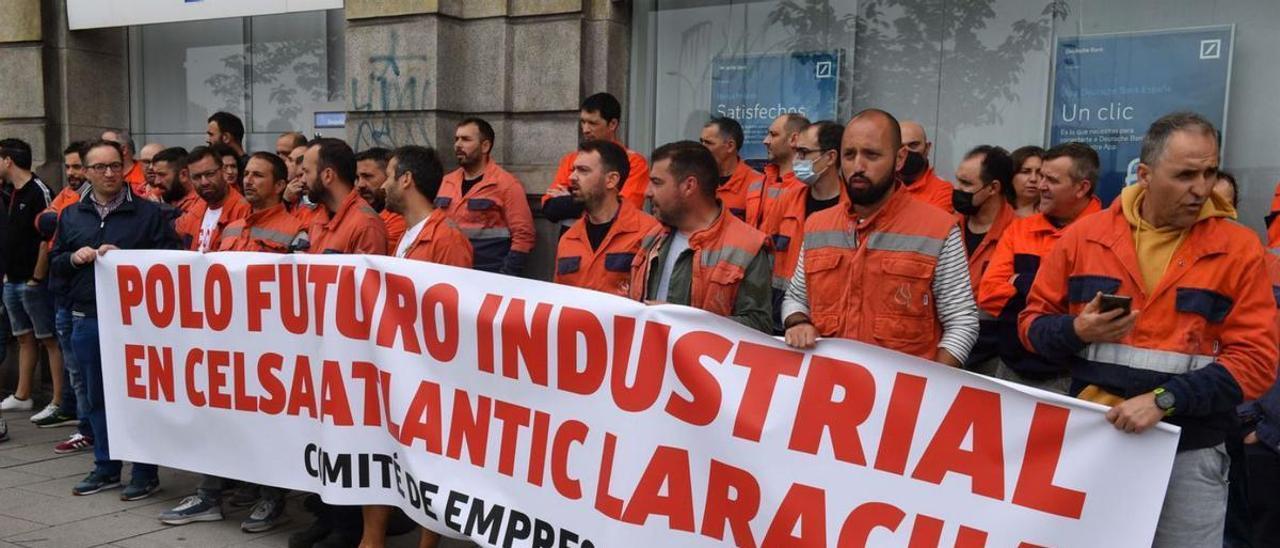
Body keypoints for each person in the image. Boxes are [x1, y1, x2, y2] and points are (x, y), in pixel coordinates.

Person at [1021, 112, 1277, 548]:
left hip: (1191, 452)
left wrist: (1165, 400)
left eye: (1209, 172)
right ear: (1144, 174)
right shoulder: (1085, 238)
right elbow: (1032, 327)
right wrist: (1077, 330)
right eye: (1184, 175)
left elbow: (1256, 362)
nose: (1201, 188)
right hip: (1095, 444)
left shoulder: (1239, 249)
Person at [161, 152, 301, 533]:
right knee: (217, 417)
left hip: (270, 348)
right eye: (247, 174)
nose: (249, 180)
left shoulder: (296, 229)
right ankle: (209, 494)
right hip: (227, 344)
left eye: (259, 175)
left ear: (279, 184)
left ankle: (272, 499)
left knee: (268, 425)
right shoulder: (233, 227)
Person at [781, 109, 978, 367]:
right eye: (849, 155)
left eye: (871, 155)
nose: (858, 167)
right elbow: (796, 297)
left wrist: (934, 385)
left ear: (899, 159)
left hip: (904, 399)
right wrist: (798, 321)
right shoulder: (818, 226)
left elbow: (961, 321)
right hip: (828, 390)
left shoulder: (937, 229)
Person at [51, 139, 181, 499]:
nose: (109, 174)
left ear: (125, 167)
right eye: (100, 168)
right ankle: (106, 466)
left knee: (139, 397)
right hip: (88, 317)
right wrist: (74, 258)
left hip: (136, 323)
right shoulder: (72, 214)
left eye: (115, 166)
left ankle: (144, 471)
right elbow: (56, 263)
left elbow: (172, 259)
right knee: (96, 398)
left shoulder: (148, 213)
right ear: (87, 172)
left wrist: (131, 258)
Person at [361, 145, 474, 548]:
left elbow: (455, 315)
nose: (384, 184)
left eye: (389, 175)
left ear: (406, 180)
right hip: (399, 362)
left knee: (431, 462)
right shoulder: (406, 235)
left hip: (428, 370)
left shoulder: (447, 238)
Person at [291, 137, 387, 547]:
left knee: (347, 439)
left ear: (327, 175)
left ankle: (349, 529)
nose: (300, 177)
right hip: (317, 344)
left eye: (307, 169)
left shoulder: (364, 222)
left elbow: (366, 296)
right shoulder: (321, 218)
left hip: (348, 351)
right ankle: (329, 516)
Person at [977, 142, 1102, 391]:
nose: (1040, 185)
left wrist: (1020, 282)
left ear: (1082, 188)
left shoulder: (1105, 236)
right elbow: (989, 294)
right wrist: (1054, 299)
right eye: (1041, 176)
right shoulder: (1020, 229)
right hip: (1010, 370)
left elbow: (1090, 311)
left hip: (1071, 378)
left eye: (1051, 180)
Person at [629, 141, 772, 333]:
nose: (647, 192)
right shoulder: (653, 236)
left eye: (657, 182)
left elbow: (758, 327)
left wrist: (683, 320)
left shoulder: (747, 245)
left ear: (689, 186)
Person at [0, 139, 65, 422]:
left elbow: (48, 237)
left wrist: (37, 278)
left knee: (49, 338)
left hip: (33, 281)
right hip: (11, 278)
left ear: (8, 161)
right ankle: (22, 395)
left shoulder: (39, 191)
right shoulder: (8, 192)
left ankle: (59, 400)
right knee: (24, 337)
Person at [758, 121, 846, 329]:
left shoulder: (852, 209)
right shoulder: (787, 201)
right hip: (781, 322)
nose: (797, 160)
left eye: (804, 153)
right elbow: (764, 255)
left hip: (832, 326)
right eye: (797, 152)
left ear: (830, 157)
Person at [31, 143, 90, 432]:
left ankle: (86, 424)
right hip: (61, 288)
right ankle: (74, 412)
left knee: (82, 365)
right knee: (71, 362)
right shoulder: (67, 196)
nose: (71, 173)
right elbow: (43, 221)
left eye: (77, 166)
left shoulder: (94, 201)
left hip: (82, 295)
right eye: (68, 167)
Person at [554, 140, 658, 296]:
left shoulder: (649, 232)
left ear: (611, 180)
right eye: (573, 170)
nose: (572, 177)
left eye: (583, 170)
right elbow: (558, 300)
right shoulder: (569, 239)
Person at [437, 117, 535, 274]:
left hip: (487, 275)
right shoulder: (445, 182)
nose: (458, 145)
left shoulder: (506, 185)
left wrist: (505, 277)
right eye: (456, 139)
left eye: (466, 139)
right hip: (448, 273)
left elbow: (524, 236)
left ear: (485, 146)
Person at [542, 93, 650, 230]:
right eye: (583, 122)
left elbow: (623, 208)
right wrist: (596, 199)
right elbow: (550, 208)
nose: (585, 130)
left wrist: (571, 199)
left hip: (615, 238)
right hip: (572, 240)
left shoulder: (634, 162)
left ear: (613, 124)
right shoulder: (571, 159)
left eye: (592, 123)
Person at [952, 145, 1017, 370]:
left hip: (992, 361)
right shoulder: (946, 227)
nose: (957, 189)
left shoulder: (1019, 236)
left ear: (993, 188)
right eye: (958, 180)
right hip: (945, 352)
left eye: (967, 184)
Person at [300, 138, 388, 255]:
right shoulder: (319, 217)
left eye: (307, 172)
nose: (302, 180)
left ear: (328, 175)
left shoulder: (366, 225)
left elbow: (367, 273)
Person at [174, 146, 250, 252]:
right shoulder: (197, 208)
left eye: (210, 174)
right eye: (197, 177)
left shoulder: (244, 210)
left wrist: (214, 259)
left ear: (223, 171)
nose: (204, 182)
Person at [748, 113, 809, 228]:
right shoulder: (759, 182)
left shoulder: (806, 187)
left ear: (794, 139)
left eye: (773, 135)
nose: (765, 141)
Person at [700, 117, 762, 221]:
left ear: (730, 146)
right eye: (701, 142)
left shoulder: (757, 183)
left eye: (709, 143)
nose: (702, 148)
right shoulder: (697, 180)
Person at [354, 147, 406, 252]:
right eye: (357, 178)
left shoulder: (399, 219)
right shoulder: (355, 214)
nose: (360, 185)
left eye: (367, 176)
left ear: (389, 177)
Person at [898, 120, 954, 213]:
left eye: (913, 145)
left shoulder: (943, 191)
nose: (906, 151)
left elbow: (931, 225)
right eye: (900, 146)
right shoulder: (881, 184)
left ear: (927, 148)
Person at [149, 147, 199, 215]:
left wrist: (161, 211)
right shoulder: (162, 192)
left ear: (183, 174)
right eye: (155, 175)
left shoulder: (201, 202)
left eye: (162, 175)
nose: (156, 181)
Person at [102, 130, 146, 196]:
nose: (100, 151)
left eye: (106, 146)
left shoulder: (146, 175)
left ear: (123, 150)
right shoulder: (97, 173)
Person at [1008, 145, 1044, 217]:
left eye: (1040, 173)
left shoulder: (1055, 215)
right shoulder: (997, 211)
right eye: (1025, 172)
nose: (1033, 179)